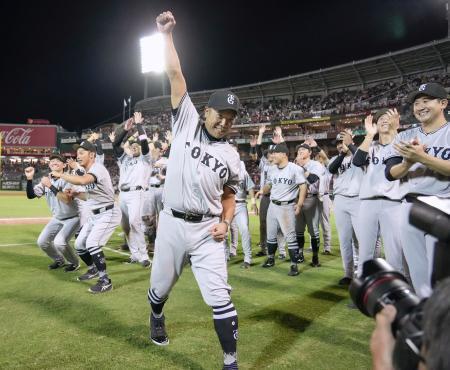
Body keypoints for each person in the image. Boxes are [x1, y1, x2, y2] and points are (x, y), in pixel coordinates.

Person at [147, 11, 241, 370]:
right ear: (206, 111)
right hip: (171, 224)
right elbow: (175, 74)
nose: (224, 120)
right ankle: (156, 313)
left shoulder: (232, 155)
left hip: (207, 231)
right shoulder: (185, 119)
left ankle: (230, 362)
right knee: (159, 289)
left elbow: (230, 194)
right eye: (220, 113)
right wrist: (166, 35)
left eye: (231, 117)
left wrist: (227, 221)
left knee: (220, 297)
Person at [384, 82, 450, 298]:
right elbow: (390, 172)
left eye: (426, 101)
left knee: (440, 274)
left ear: (443, 103)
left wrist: (421, 157)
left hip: (443, 205)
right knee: (418, 272)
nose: (420, 106)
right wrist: (408, 163)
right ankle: (425, 320)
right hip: (409, 205)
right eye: (416, 103)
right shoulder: (405, 136)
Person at [50, 140, 121, 294]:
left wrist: (62, 174)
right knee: (79, 245)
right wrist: (77, 194)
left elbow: (83, 180)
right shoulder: (87, 170)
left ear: (92, 154)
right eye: (78, 153)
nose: (78, 155)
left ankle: (105, 281)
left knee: (92, 243)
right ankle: (92, 269)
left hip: (109, 212)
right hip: (96, 214)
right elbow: (89, 196)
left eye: (82, 152)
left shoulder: (98, 168)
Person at [353, 108, 406, 276]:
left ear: (396, 121)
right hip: (368, 202)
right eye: (380, 119)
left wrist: (395, 130)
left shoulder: (402, 142)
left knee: (395, 254)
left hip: (394, 203)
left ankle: (396, 295)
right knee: (365, 253)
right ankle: (363, 293)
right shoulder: (371, 146)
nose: (383, 120)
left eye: (387, 118)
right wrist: (369, 135)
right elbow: (357, 161)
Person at [24, 154, 80, 271]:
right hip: (57, 218)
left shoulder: (68, 178)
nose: (54, 162)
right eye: (52, 161)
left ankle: (74, 262)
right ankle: (59, 260)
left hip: (73, 217)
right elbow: (30, 195)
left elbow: (66, 199)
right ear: (49, 165)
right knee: (42, 242)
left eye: (57, 161)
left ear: (64, 165)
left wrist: (49, 185)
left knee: (60, 242)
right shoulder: (47, 179)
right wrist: (29, 179)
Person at [261, 143, 307, 276]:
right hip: (273, 205)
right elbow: (269, 184)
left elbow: (303, 187)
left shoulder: (295, 169)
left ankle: (294, 265)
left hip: (287, 206)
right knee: (270, 235)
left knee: (290, 237)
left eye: (275, 153)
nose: (272, 155)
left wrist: (299, 204)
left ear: (284, 154)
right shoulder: (271, 169)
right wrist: (264, 189)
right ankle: (270, 259)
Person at [112, 112, 152, 267]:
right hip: (123, 195)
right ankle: (134, 255)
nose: (135, 147)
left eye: (137, 146)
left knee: (135, 223)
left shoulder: (145, 159)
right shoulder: (124, 159)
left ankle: (144, 256)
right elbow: (116, 144)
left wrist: (139, 125)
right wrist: (124, 130)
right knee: (126, 226)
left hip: (136, 193)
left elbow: (144, 143)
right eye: (132, 146)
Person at [328, 130, 363, 285]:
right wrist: (342, 153)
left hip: (359, 199)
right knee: (344, 240)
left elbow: (363, 160)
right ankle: (348, 273)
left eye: (342, 142)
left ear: (350, 141)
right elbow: (331, 169)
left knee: (361, 240)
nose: (339, 146)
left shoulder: (360, 154)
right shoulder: (336, 158)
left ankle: (363, 273)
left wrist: (350, 146)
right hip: (341, 199)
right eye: (337, 144)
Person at [294, 143, 325, 267]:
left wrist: (302, 167)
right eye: (299, 149)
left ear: (310, 152)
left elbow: (313, 179)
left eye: (303, 149)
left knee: (313, 230)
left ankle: (315, 257)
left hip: (311, 199)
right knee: (299, 230)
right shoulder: (294, 165)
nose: (300, 151)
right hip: (297, 200)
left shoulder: (315, 164)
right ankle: (300, 253)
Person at [228, 141, 257, 268]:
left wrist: (254, 202)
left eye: (234, 151)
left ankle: (247, 259)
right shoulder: (221, 167)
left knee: (244, 230)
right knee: (223, 233)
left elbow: (249, 186)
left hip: (240, 205)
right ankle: (224, 256)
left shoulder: (242, 169)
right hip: (226, 205)